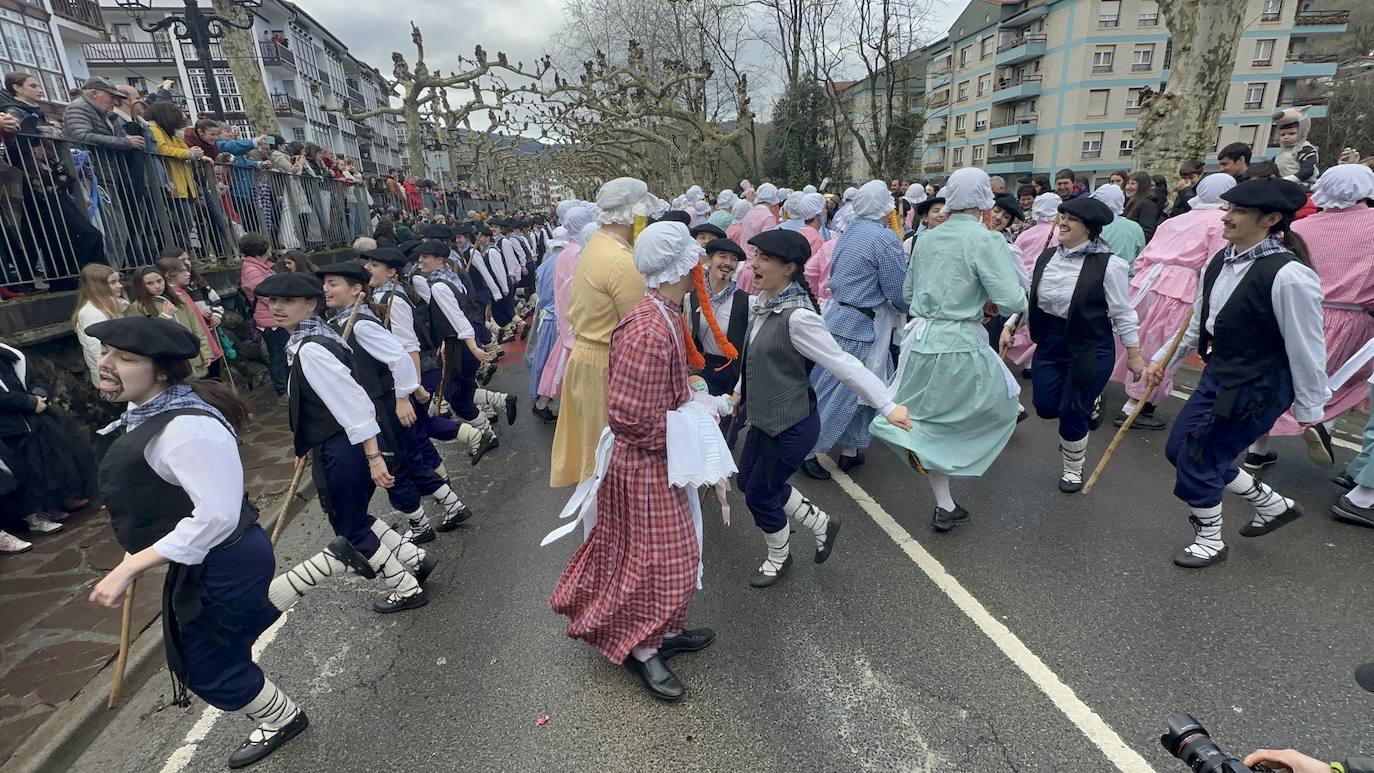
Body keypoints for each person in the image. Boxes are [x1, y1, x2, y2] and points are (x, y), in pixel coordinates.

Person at [83, 316, 350, 769]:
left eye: (124, 358)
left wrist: (130, 566)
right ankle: (330, 561)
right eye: (106, 353)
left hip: (226, 554)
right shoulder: (154, 411)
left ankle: (281, 717)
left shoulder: (187, 428)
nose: (106, 364)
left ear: (162, 372)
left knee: (207, 667)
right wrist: (140, 542)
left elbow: (216, 515)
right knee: (236, 625)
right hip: (221, 554)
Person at [549, 221, 715, 703]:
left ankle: (657, 634)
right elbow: (631, 420)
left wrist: (690, 406)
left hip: (653, 459)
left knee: (662, 557)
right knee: (664, 561)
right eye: (694, 257)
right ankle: (642, 650)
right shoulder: (647, 326)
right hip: (644, 464)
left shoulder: (661, 311)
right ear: (681, 265)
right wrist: (695, 423)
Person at [1143, 178, 1326, 568]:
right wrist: (1163, 361)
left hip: (1258, 384)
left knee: (1199, 456)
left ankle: (1210, 540)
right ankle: (1272, 504)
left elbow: (1307, 346)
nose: (1227, 217)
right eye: (1228, 208)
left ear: (1271, 219)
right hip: (1220, 374)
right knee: (1180, 449)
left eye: (1238, 211)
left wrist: (1311, 409)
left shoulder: (1289, 275)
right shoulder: (1219, 260)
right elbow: (1200, 321)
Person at [734, 229, 909, 586]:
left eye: (764, 259)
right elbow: (751, 360)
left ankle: (778, 557)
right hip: (765, 420)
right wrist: (738, 394)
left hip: (792, 425)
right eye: (755, 256)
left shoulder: (799, 317)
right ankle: (820, 522)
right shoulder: (763, 304)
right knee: (748, 482)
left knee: (759, 493)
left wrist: (887, 404)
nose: (754, 264)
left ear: (788, 268)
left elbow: (844, 363)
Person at [253, 271, 430, 610]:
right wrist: (303, 444)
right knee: (355, 516)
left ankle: (406, 587)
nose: (277, 307)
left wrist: (373, 456)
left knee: (348, 525)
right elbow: (314, 402)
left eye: (287, 301)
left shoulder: (311, 349)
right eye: (272, 301)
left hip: (344, 448)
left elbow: (353, 404)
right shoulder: (313, 339)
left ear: (309, 304)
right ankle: (415, 558)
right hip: (335, 444)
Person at [872, 167, 1027, 530]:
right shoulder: (987, 240)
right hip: (960, 343)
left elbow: (908, 295)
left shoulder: (926, 238)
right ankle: (947, 472)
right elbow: (1011, 296)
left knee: (929, 423)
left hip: (920, 342)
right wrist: (989, 298)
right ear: (985, 201)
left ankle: (945, 504)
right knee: (1005, 403)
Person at [318, 261, 466, 547]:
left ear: (356, 289)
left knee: (393, 467)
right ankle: (453, 506)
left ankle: (421, 524)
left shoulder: (360, 324)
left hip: (383, 407)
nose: (326, 289)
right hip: (379, 404)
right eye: (325, 284)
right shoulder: (342, 322)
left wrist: (402, 397)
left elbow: (399, 357)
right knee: (408, 460)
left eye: (333, 283)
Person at [1004, 196, 1142, 492]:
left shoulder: (1110, 265)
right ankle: (1089, 404)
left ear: (1090, 228)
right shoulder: (1047, 257)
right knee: (1044, 406)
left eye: (1072, 219)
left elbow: (1122, 312)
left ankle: (1073, 469)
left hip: (1090, 346)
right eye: (1062, 216)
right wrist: (1010, 325)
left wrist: (1134, 354)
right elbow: (1030, 298)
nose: (1063, 222)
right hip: (1052, 342)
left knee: (1071, 412)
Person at [550, 177, 658, 488]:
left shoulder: (597, 244)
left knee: (594, 453)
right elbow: (642, 331)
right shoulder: (622, 262)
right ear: (634, 214)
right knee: (607, 462)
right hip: (605, 363)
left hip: (589, 357)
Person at [798, 180, 909, 480]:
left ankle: (850, 449)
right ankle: (808, 450)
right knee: (845, 389)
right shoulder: (885, 240)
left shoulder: (850, 231)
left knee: (857, 386)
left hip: (841, 315)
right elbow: (897, 291)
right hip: (863, 322)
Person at [1261, 164, 1374, 459]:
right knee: (1351, 378)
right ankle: (1324, 422)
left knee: (1278, 378)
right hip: (1351, 316)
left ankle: (1255, 450)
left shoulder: (1299, 226)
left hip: (1295, 309)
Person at [1109, 173, 1236, 430]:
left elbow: (1145, 255)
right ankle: (1136, 405)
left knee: (1138, 338)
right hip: (1181, 289)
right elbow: (1215, 265)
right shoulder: (1220, 223)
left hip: (1147, 283)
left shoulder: (1175, 220)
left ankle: (1135, 397)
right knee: (1165, 345)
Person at [413, 241, 501, 462]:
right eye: (420, 257)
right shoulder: (449, 278)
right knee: (462, 392)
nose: (421, 261)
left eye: (426, 257)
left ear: (440, 260)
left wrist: (472, 346)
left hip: (459, 345)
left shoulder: (439, 286)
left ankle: (487, 433)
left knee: (457, 397)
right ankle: (498, 406)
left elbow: (458, 318)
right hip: (457, 343)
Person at [687, 238, 748, 398]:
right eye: (722, 256)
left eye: (733, 259)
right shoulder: (692, 297)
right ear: (709, 260)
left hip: (732, 373)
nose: (728, 263)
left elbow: (748, 351)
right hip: (702, 369)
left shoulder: (745, 301)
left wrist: (739, 391)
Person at [126, 266, 212, 379]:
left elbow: (196, 327)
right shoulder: (138, 307)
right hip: (171, 362)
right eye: (150, 283)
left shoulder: (179, 300)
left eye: (159, 281)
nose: (157, 286)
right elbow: (145, 337)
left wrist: (205, 351)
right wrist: (165, 316)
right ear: (141, 286)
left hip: (193, 357)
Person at [237, 234, 287, 398]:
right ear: (262, 249)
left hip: (275, 316)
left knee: (282, 353)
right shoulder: (252, 270)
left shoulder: (262, 266)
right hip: (270, 318)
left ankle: (288, 386)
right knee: (278, 355)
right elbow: (264, 292)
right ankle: (282, 391)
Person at [157, 253, 223, 377]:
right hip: (198, 351)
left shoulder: (185, 292)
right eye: (183, 271)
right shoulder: (174, 298)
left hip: (205, 346)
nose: (188, 273)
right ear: (169, 275)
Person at [72, 264, 129, 387]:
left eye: (118, 281)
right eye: (113, 282)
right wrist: (115, 376)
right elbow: (97, 349)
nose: (120, 286)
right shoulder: (91, 313)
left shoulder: (112, 307)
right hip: (115, 376)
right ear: (98, 286)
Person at [737, 182, 784, 294]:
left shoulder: (749, 213)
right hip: (757, 270)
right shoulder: (768, 218)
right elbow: (768, 247)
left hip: (743, 268)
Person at [1089, 184, 1146, 270]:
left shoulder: (1092, 225)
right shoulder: (1135, 227)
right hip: (1128, 278)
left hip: (1098, 275)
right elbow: (1141, 256)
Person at [1272, 107, 1320, 187]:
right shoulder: (1280, 152)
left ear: (1302, 132)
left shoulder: (1306, 149)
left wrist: (1287, 180)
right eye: (1282, 134)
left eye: (1291, 133)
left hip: (1303, 185)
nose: (1285, 137)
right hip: (1283, 185)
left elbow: (1307, 170)